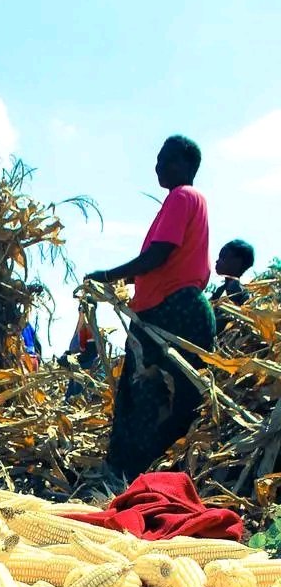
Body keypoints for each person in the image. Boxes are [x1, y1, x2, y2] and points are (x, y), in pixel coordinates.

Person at [84, 135, 215, 481]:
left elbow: (158, 255)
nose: (157, 167)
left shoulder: (181, 197)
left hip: (171, 312)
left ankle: (133, 478)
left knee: (143, 396)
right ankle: (164, 478)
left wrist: (108, 276)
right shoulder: (192, 202)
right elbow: (164, 263)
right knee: (177, 401)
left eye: (166, 160)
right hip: (183, 310)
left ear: (187, 165)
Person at [211, 239, 254, 308]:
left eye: (222, 257)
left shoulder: (240, 293)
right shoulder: (219, 290)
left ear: (236, 263)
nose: (217, 261)